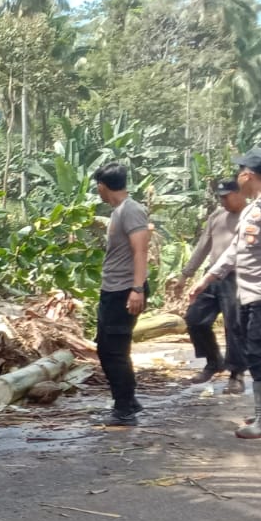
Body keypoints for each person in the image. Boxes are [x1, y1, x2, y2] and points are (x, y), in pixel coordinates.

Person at [188, 147, 261, 439]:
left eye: (240, 172)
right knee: (258, 351)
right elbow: (235, 250)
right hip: (249, 294)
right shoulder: (253, 208)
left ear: (247, 175)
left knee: (258, 354)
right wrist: (208, 278)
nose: (238, 177)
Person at [92, 164, 152, 428]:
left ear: (101, 186)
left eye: (98, 188)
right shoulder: (119, 211)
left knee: (115, 350)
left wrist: (137, 289)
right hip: (113, 289)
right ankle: (128, 399)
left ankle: (124, 409)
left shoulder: (131, 210)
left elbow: (141, 251)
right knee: (105, 347)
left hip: (125, 290)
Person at [180, 178, 248, 389]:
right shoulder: (217, 216)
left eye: (226, 197)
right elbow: (203, 246)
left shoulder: (251, 217)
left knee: (234, 325)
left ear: (240, 193)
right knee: (195, 319)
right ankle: (213, 361)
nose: (223, 201)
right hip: (211, 276)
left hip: (237, 277)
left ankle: (236, 373)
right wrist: (186, 274)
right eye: (220, 197)